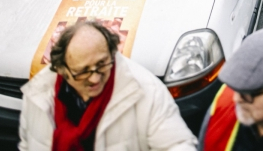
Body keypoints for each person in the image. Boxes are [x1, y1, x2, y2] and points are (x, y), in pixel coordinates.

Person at [19, 20, 198, 151]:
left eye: (102, 64)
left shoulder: (148, 90)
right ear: (62, 70)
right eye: (83, 72)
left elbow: (177, 145)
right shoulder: (38, 94)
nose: (96, 79)